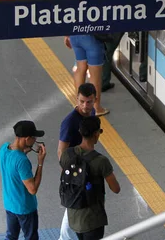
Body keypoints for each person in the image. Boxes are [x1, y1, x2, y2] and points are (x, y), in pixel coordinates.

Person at [60, 116, 120, 240]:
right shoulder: (101, 161)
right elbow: (116, 188)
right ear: (96, 134)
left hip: (74, 216)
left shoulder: (67, 154)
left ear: (80, 132)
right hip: (93, 220)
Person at [63, 0, 109, 116]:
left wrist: (67, 35)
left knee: (80, 69)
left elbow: (67, 17)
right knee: (95, 74)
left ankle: (80, 105)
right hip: (91, 39)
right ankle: (96, 108)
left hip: (75, 37)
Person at [57, 83, 97, 240]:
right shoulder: (70, 122)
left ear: (95, 100)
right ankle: (64, 237)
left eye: (89, 102)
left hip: (85, 167)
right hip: (74, 171)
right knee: (73, 204)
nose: (85, 106)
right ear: (77, 99)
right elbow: (61, 151)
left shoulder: (92, 113)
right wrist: (69, 174)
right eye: (82, 102)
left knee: (82, 203)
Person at [101, 0, 142, 91]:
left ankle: (103, 79)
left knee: (108, 49)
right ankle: (103, 81)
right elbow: (130, 0)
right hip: (121, 17)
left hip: (111, 14)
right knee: (109, 49)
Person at [0, 120, 47, 240]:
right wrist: (40, 163)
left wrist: (23, 152)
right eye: (34, 137)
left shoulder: (4, 149)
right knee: (31, 237)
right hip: (25, 208)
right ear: (27, 139)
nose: (35, 140)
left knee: (11, 236)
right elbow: (32, 189)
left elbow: (12, 165)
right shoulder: (22, 161)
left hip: (10, 204)